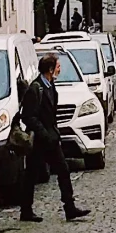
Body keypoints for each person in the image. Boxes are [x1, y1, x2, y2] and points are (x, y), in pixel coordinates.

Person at [17, 54, 90, 224]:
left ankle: (69, 208)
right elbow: (28, 116)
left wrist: (54, 135)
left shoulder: (50, 86)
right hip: (40, 140)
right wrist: (45, 133)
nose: (59, 69)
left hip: (50, 139)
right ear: (50, 70)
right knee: (32, 175)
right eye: (58, 66)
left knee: (62, 170)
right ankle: (26, 210)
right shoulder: (36, 88)